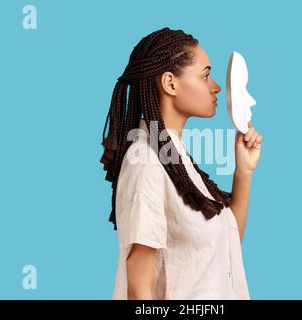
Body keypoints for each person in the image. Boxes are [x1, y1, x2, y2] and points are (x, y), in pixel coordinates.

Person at [100, 27, 263, 300]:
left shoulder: (174, 158)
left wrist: (243, 172)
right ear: (170, 83)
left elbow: (226, 249)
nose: (216, 87)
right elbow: (139, 293)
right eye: (206, 75)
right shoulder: (147, 164)